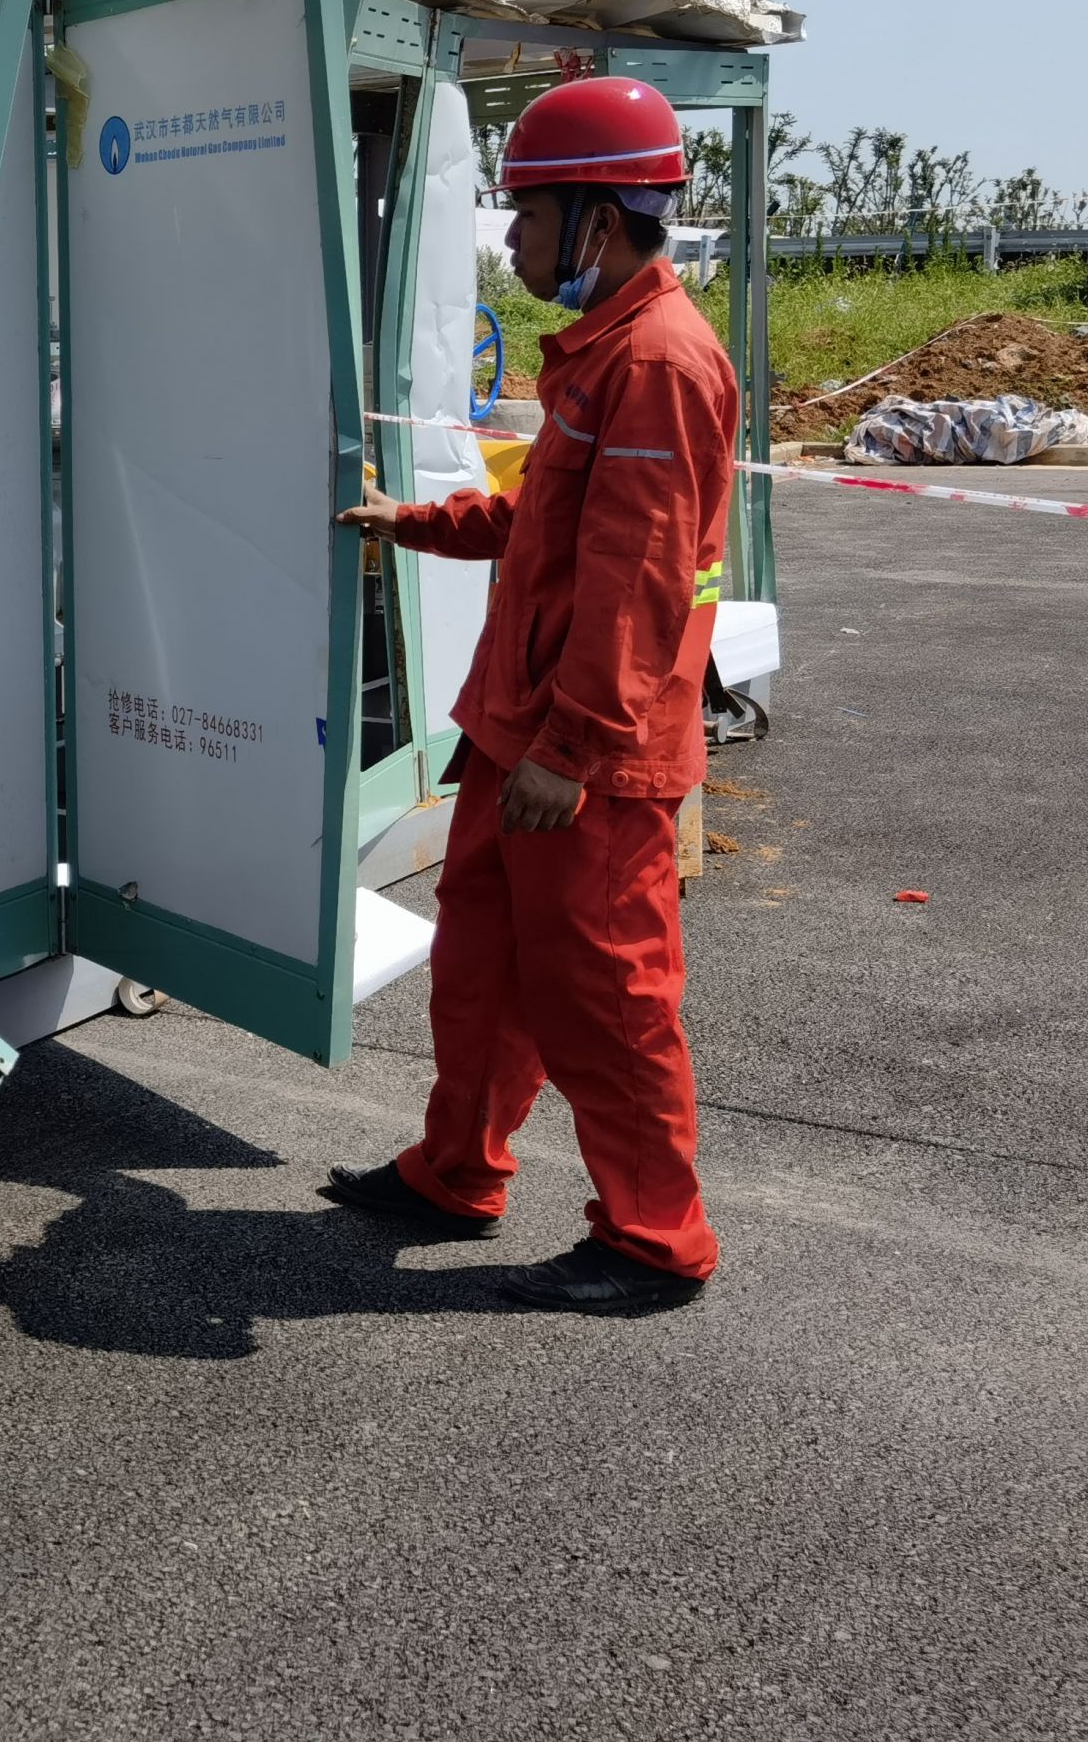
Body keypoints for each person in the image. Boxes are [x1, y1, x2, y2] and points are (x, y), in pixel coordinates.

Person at [331, 74, 739, 1314]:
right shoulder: (607, 353)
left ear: (599, 221)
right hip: (524, 730)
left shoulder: (659, 364)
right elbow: (544, 521)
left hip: (588, 755)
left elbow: (641, 579)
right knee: (484, 973)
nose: (511, 241)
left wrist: (574, 748)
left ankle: (655, 1240)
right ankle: (457, 1172)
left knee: (608, 1001)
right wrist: (415, 522)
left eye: (528, 216)